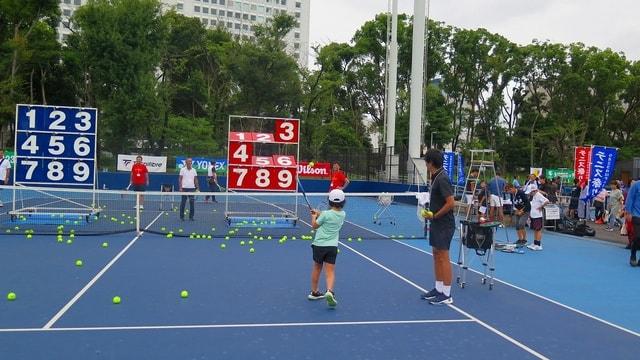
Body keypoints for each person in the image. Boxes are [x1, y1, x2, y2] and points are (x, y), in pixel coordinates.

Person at [420, 149, 456, 305]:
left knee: (443, 257)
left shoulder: (442, 179)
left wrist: (434, 215)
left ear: (431, 163)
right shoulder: (436, 177)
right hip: (436, 222)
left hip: (444, 224)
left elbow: (450, 203)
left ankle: (447, 294)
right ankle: (438, 288)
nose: (426, 165)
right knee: (436, 255)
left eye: (426, 162)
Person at [308, 189, 346, 308]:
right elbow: (328, 216)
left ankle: (314, 292)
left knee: (317, 268)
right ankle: (329, 291)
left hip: (319, 246)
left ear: (329, 201)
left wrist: (314, 216)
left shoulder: (325, 214)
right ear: (343, 202)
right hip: (332, 247)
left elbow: (314, 226)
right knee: (330, 272)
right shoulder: (342, 214)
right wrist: (319, 213)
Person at [624, 180, 640, 266]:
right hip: (636, 214)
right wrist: (628, 212)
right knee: (637, 236)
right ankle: (633, 255)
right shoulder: (636, 185)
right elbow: (630, 198)